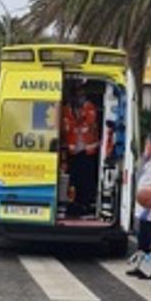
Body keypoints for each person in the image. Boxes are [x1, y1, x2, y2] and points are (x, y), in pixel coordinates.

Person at [62, 84, 99, 217]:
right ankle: (73, 204)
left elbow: (90, 122)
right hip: (73, 152)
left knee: (86, 181)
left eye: (81, 94)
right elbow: (65, 127)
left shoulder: (89, 107)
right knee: (73, 181)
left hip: (87, 151)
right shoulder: (67, 109)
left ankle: (85, 204)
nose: (79, 97)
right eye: (77, 93)